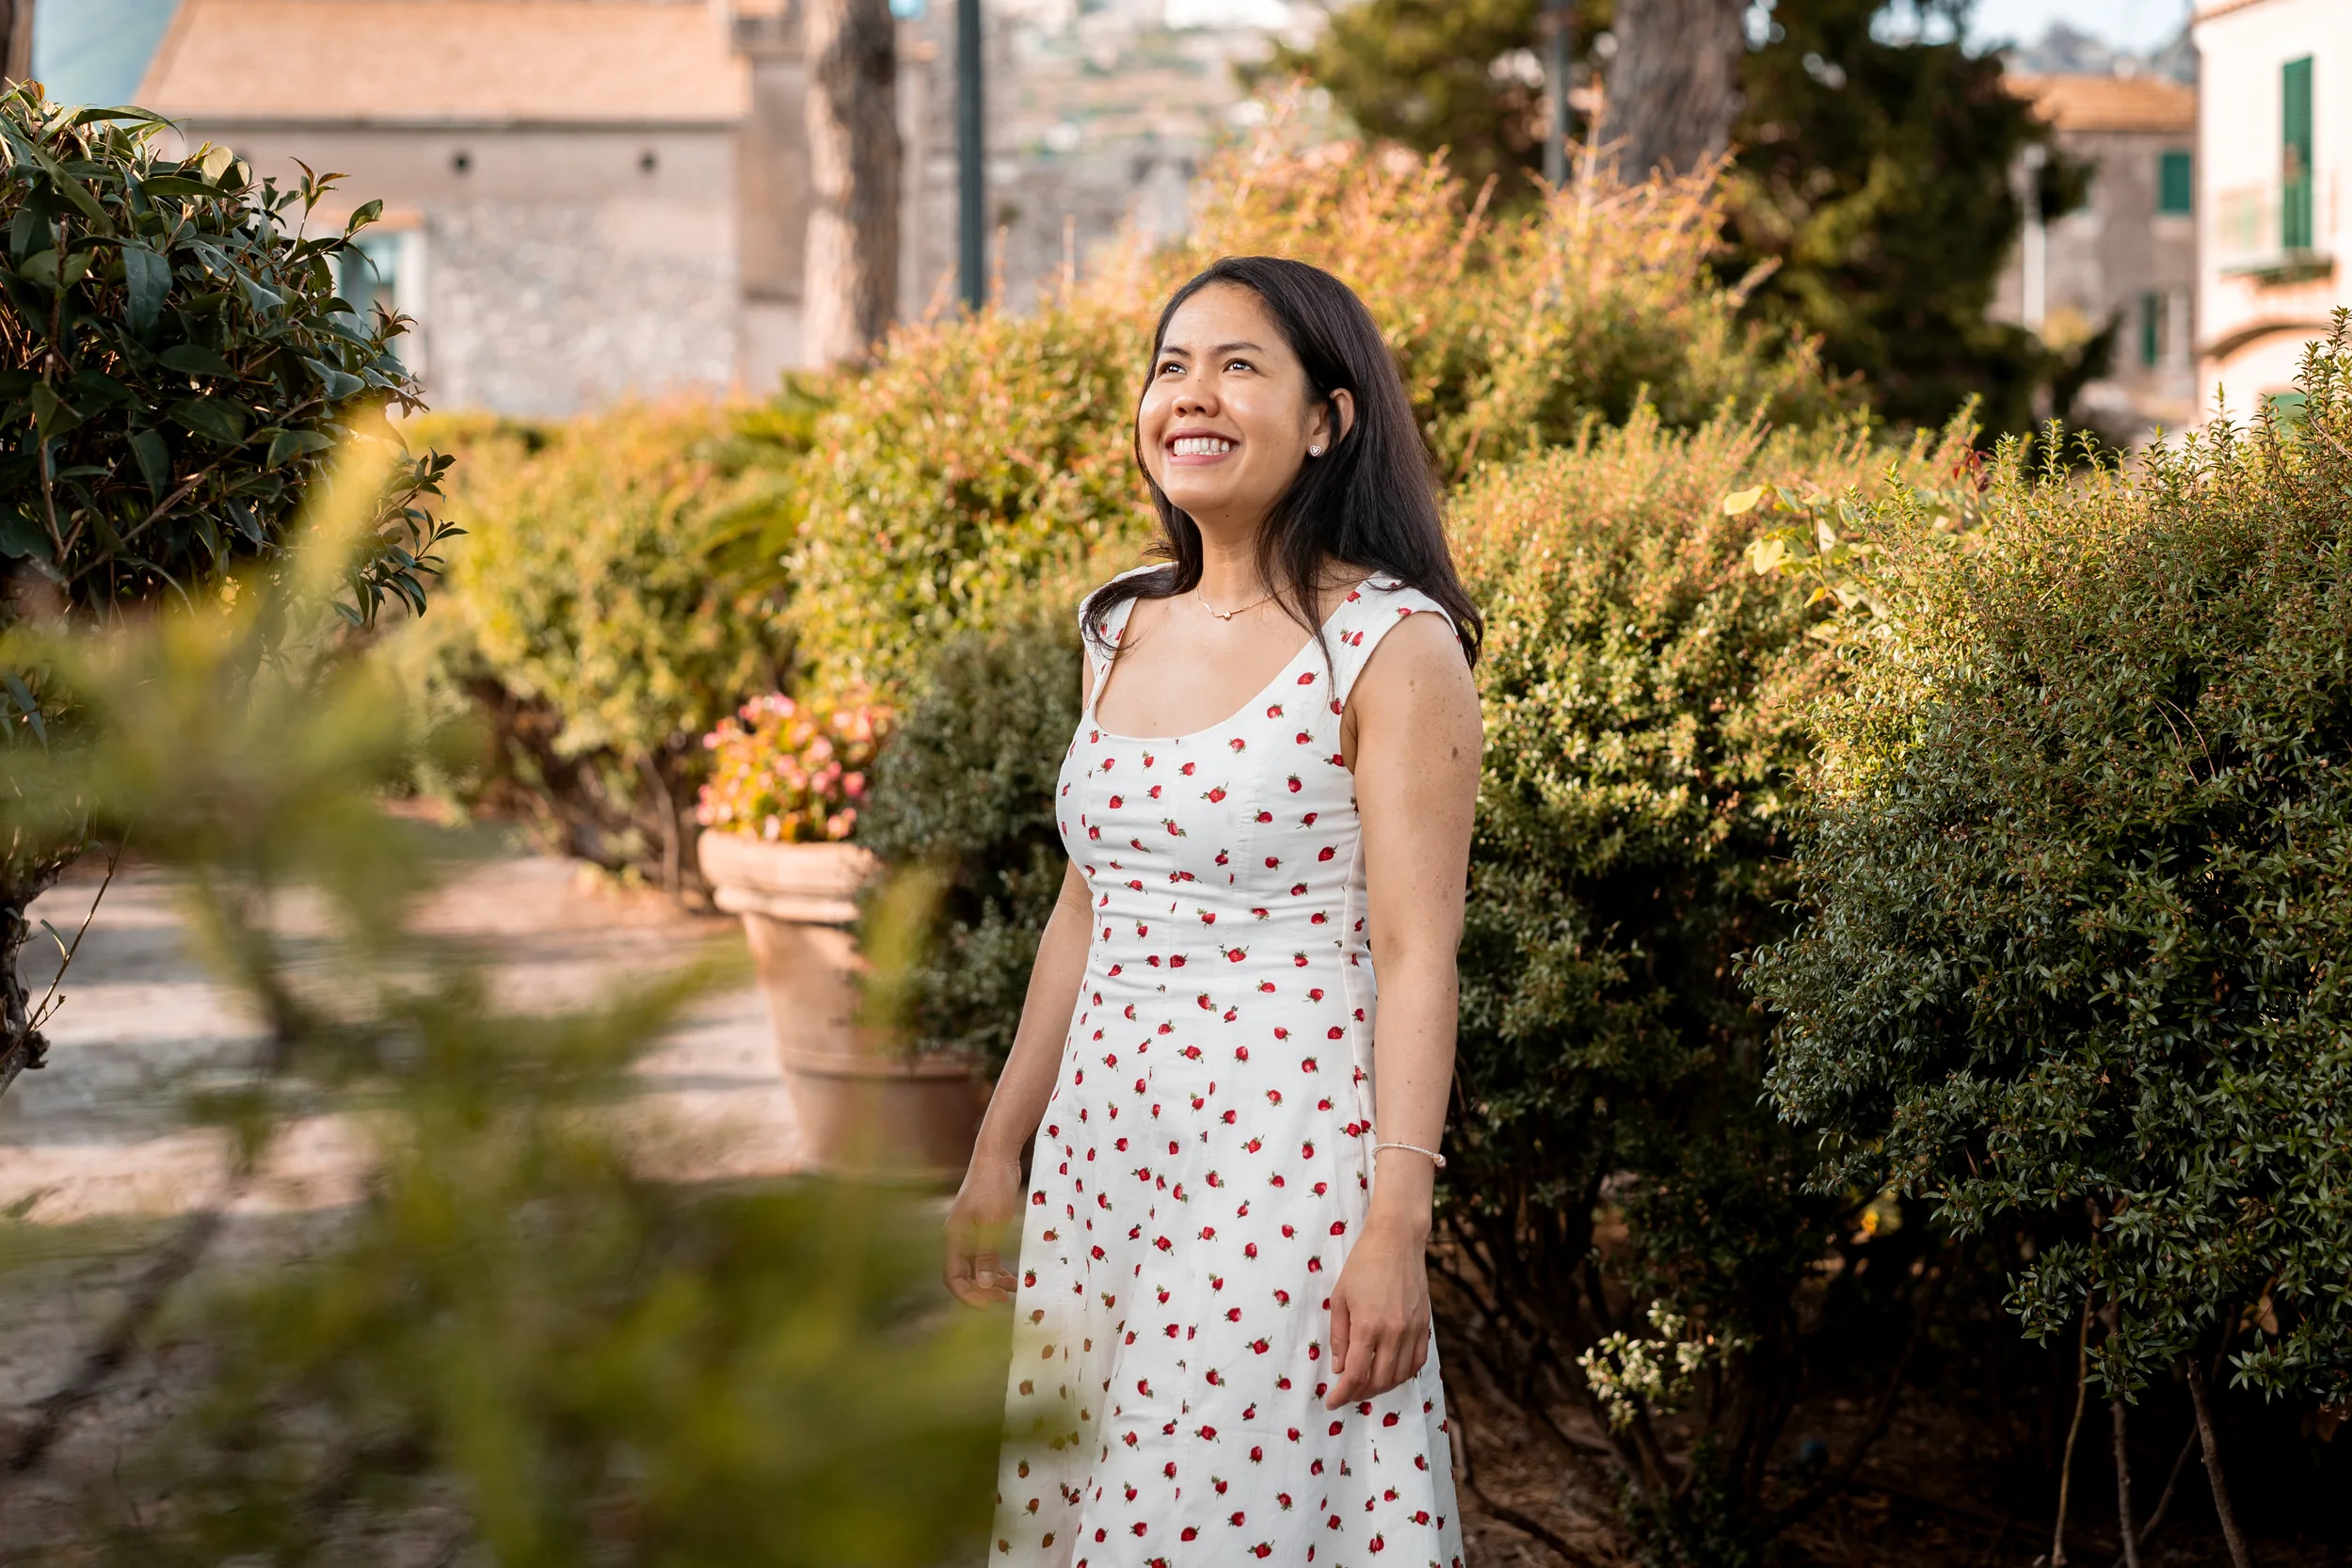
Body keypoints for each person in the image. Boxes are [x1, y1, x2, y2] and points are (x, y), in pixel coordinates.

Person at [943, 254, 1484, 1568]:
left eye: (1240, 366)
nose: (1191, 394)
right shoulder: (1115, 625)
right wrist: (998, 1147)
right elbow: (1084, 909)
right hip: (1102, 1154)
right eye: (1171, 365)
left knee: (1205, 1513)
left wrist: (1397, 1223)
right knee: (1093, 1503)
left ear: (1327, 420)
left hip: (1280, 1160)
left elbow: (1419, 953)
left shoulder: (1391, 642)